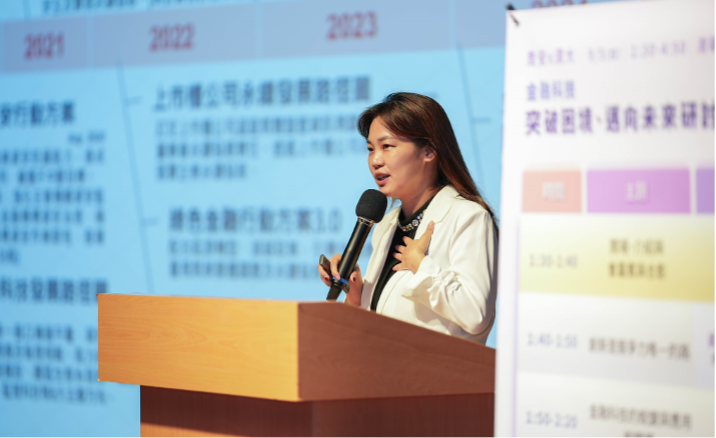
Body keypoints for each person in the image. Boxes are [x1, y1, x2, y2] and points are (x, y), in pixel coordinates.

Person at [318, 92, 498, 344]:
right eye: (370, 149)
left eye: (387, 146)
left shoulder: (469, 218)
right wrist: (358, 294)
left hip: (438, 367)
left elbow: (476, 314)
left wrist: (421, 265)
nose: (375, 160)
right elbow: (388, 317)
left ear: (429, 151)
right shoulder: (386, 224)